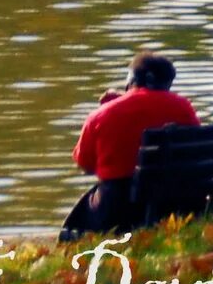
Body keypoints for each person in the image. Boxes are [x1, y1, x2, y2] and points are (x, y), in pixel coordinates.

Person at [61, 50, 199, 237]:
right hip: (170, 205)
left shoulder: (102, 115)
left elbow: (85, 164)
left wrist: (114, 106)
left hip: (116, 209)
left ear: (131, 81)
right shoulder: (183, 107)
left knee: (82, 211)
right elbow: (194, 151)